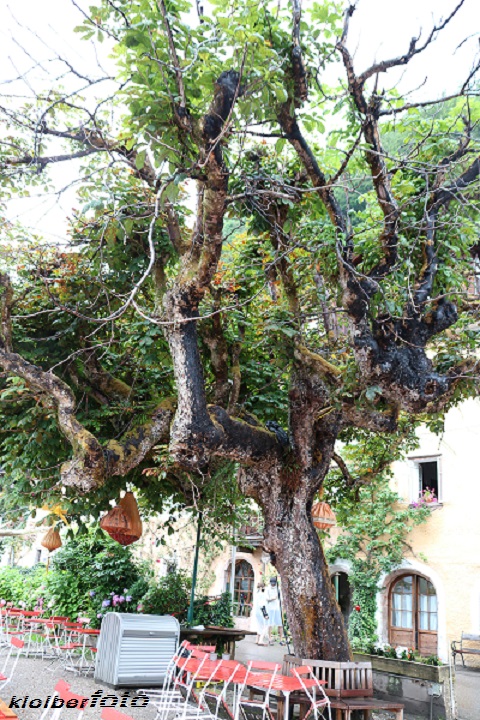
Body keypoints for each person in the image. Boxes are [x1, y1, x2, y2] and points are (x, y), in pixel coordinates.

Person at [266, 576, 284, 644]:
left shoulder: (278, 589)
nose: (273, 584)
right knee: (270, 624)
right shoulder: (268, 589)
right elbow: (267, 598)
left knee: (280, 624)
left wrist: (282, 607)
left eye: (274, 583)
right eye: (272, 583)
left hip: (278, 608)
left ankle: (281, 639)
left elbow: (281, 599)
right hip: (270, 608)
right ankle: (270, 638)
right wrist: (273, 598)